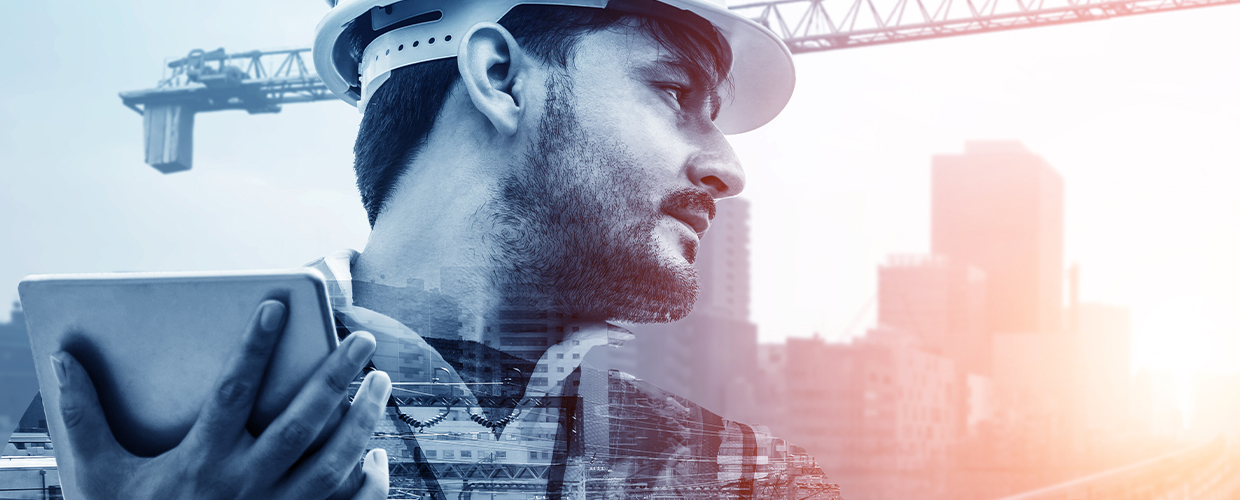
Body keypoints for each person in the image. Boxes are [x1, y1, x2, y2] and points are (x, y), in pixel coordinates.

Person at [39, 0, 833, 498]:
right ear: (500, 76)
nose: (726, 168)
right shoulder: (104, 439)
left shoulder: (754, 480)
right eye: (673, 93)